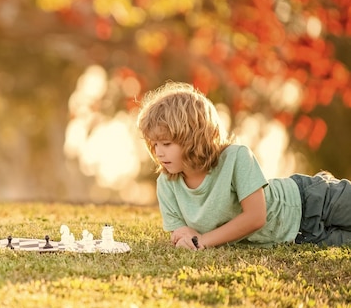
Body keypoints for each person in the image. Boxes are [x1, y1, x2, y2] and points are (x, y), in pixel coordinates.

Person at [137, 81, 351, 250]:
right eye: (154, 144)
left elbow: (256, 217)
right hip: (300, 238)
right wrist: (186, 238)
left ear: (193, 138)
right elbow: (182, 232)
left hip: (314, 200)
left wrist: (202, 240)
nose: (158, 152)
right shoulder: (167, 185)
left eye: (166, 143)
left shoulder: (235, 157)